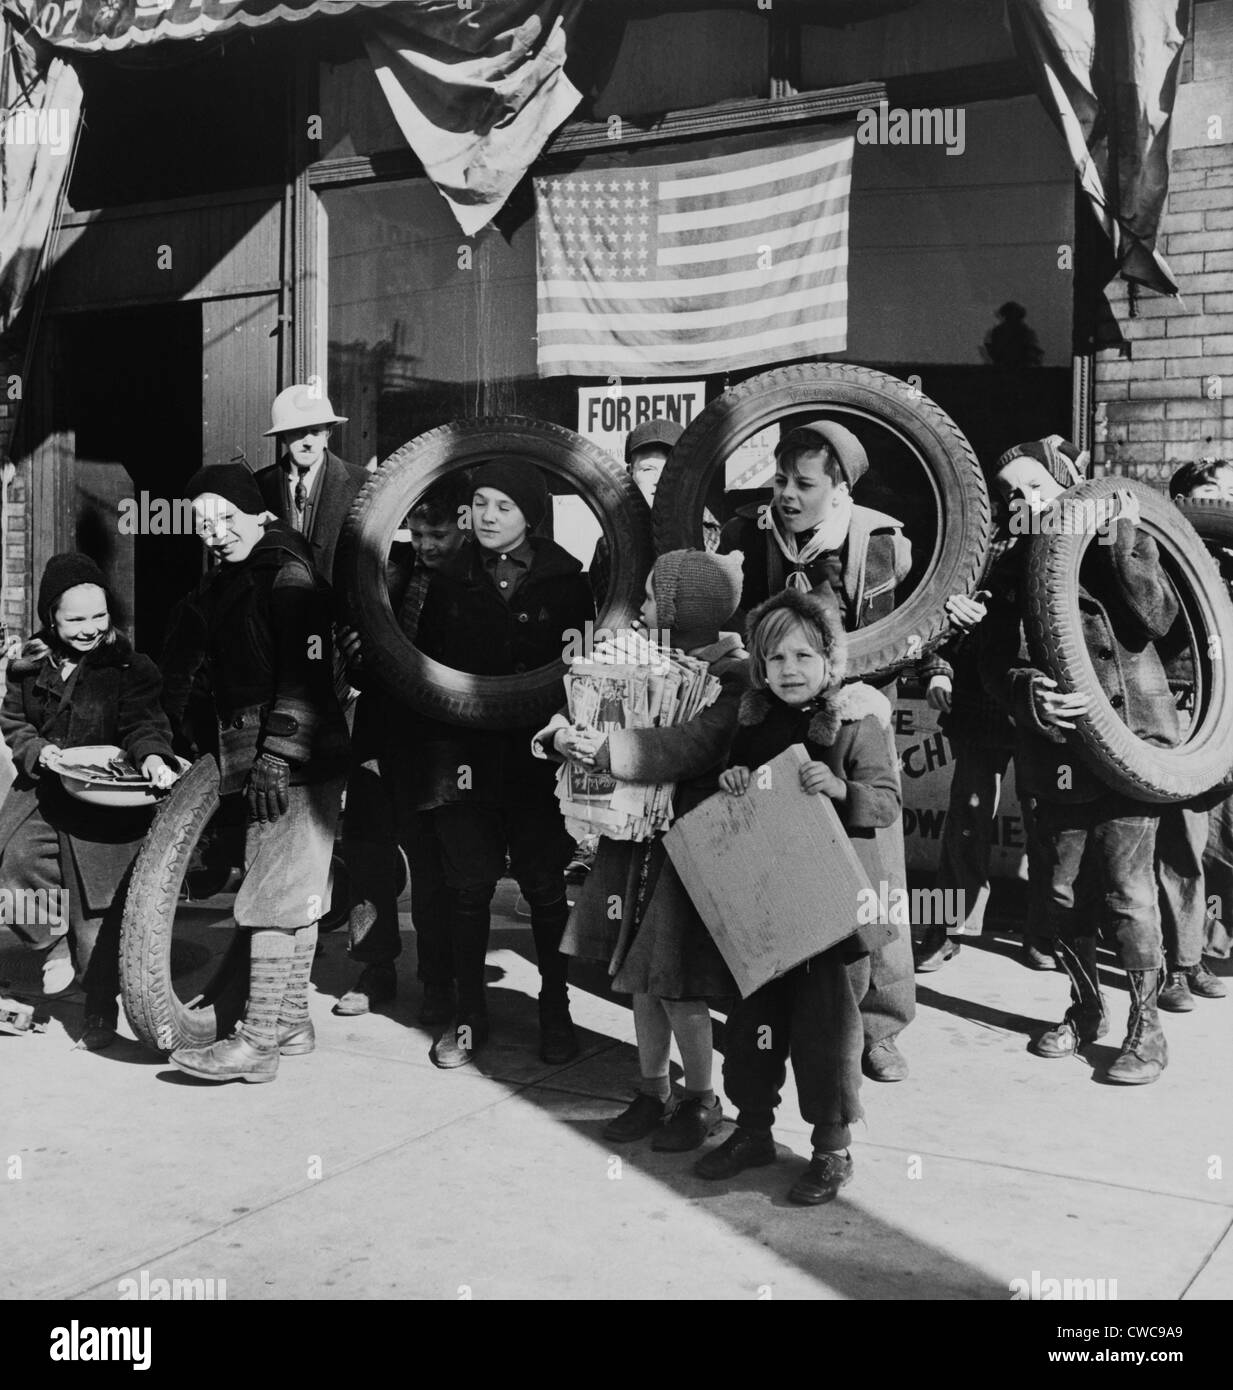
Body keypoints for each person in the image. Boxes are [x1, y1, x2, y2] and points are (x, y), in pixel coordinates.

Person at [720, 423, 916, 1081]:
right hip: (776, 708)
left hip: (852, 713)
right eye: (780, 481)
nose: (786, 495)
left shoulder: (874, 541)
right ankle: (781, 1006)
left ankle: (881, 1025)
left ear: (837, 489)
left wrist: (848, 697)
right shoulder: (752, 534)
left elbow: (888, 639)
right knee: (780, 864)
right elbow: (742, 618)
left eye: (803, 484)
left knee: (872, 872)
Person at [694, 586, 903, 1203]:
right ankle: (753, 1129)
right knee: (752, 1026)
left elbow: (886, 801)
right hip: (767, 906)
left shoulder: (856, 722)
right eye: (776, 659)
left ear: (830, 663)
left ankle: (831, 1147)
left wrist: (840, 789)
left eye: (805, 657)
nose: (790, 670)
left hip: (833, 914)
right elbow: (739, 792)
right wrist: (730, 778)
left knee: (826, 1033)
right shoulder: (752, 721)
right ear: (759, 665)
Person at [983, 444, 1180, 1084]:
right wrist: (1024, 692)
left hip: (1128, 747)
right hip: (1058, 756)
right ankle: (1085, 1007)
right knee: (1062, 894)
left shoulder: (1120, 538)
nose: (1021, 502)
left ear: (1067, 482)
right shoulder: (1009, 570)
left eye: (1031, 487)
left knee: (1128, 893)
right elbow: (991, 665)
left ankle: (1146, 1028)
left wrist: (1116, 540)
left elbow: (1162, 618)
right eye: (1010, 493)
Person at [538, 549, 747, 1151]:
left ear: (684, 609)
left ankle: (701, 1099)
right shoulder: (636, 657)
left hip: (686, 849)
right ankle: (653, 1089)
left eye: (655, 598)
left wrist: (609, 752)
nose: (645, 609)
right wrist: (560, 733)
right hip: (631, 842)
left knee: (677, 984)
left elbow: (695, 744)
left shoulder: (733, 677)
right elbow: (579, 699)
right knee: (638, 980)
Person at [161, 464, 350, 1083]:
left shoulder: (286, 575)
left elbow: (307, 674)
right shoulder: (238, 577)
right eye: (203, 523)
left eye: (227, 517)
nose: (215, 532)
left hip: (292, 759)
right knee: (292, 888)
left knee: (271, 894)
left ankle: (257, 1041)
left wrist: (277, 753)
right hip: (273, 756)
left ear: (260, 514)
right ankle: (291, 1019)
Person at [413, 459, 595, 1068]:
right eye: (481, 505)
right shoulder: (448, 578)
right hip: (464, 756)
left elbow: (586, 672)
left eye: (504, 507)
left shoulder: (566, 581)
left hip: (539, 756)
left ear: (529, 516)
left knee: (545, 888)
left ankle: (555, 1011)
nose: (488, 517)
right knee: (469, 888)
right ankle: (469, 1017)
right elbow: (427, 670)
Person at [0, 554, 180, 1050]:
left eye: (98, 616)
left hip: (103, 799)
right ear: (51, 619)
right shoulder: (28, 666)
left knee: (97, 916)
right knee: (15, 863)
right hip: (43, 789)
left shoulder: (129, 666)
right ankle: (49, 942)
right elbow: (16, 723)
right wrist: (37, 751)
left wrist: (152, 757)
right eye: (75, 619)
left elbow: (144, 723)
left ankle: (100, 1011)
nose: (89, 628)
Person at [334, 474, 471, 1022]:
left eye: (437, 533)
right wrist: (354, 651)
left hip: (438, 747)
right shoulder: (392, 572)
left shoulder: (474, 582)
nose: (426, 545)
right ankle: (375, 966)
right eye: (416, 533)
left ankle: (438, 979)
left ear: (462, 525)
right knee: (368, 852)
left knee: (433, 868)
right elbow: (363, 654)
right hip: (378, 735)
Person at [254, 384, 370, 590]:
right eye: (298, 433)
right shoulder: (260, 485)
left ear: (328, 434)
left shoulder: (361, 482)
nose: (307, 442)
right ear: (282, 437)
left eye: (315, 432)